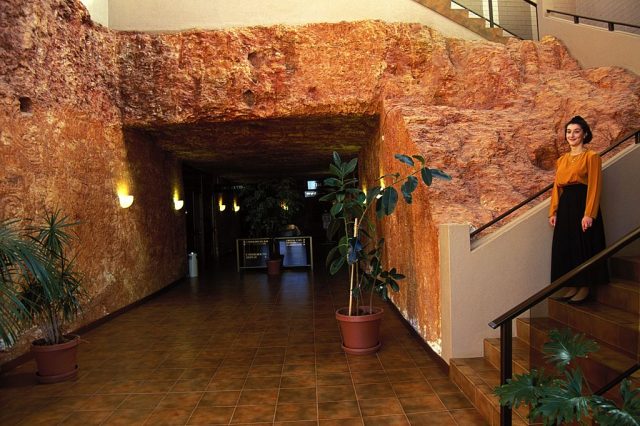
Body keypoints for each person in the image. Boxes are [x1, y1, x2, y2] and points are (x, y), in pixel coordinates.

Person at [549, 116, 608, 303]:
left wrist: (589, 214)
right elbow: (557, 187)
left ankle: (585, 287)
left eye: (576, 131)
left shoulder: (592, 157)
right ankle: (572, 285)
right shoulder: (562, 160)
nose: (572, 135)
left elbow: (595, 186)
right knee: (567, 246)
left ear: (585, 134)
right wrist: (553, 211)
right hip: (566, 205)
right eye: (568, 131)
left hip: (583, 204)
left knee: (583, 246)